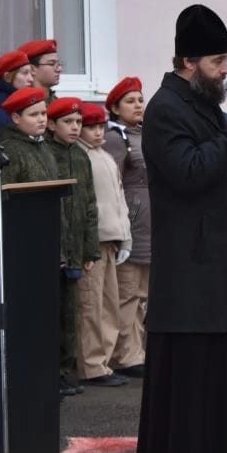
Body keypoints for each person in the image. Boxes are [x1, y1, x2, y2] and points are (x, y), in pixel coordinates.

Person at [134, 4, 227, 453]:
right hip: (188, 265)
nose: (226, 70)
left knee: (217, 368)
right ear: (187, 61)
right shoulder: (165, 108)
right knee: (190, 373)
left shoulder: (202, 102)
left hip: (213, 259)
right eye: (217, 61)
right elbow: (188, 172)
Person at [46, 97, 100, 398]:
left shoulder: (81, 157)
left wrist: (89, 248)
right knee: (53, 312)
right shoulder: (47, 154)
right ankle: (52, 369)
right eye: (68, 122)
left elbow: (89, 203)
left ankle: (67, 368)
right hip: (56, 245)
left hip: (76, 246)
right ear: (53, 125)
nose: (75, 127)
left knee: (71, 312)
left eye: (78, 122)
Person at [75, 103, 132, 386]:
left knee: (109, 303)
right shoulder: (80, 157)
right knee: (91, 304)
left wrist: (126, 236)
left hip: (111, 237)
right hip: (94, 239)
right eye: (92, 127)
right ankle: (91, 364)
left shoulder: (105, 156)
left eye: (101, 127)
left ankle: (104, 361)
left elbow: (119, 200)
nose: (98, 133)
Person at [103, 76, 151, 377]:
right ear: (115, 107)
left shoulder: (143, 133)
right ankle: (127, 353)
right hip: (132, 221)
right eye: (131, 101)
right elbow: (114, 182)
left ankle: (140, 349)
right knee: (128, 291)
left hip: (151, 222)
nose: (138, 105)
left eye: (140, 100)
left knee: (144, 292)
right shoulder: (115, 138)